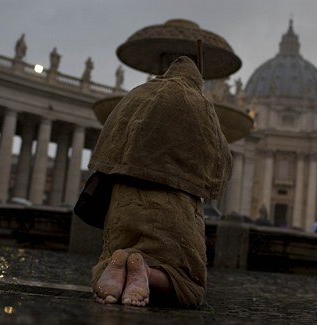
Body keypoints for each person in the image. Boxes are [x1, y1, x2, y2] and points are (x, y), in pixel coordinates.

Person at [87, 56, 232, 307]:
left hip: (123, 201)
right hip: (173, 205)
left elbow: (107, 144)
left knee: (116, 251)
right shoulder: (199, 104)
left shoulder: (136, 95)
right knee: (189, 284)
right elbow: (221, 161)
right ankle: (145, 271)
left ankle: (117, 266)